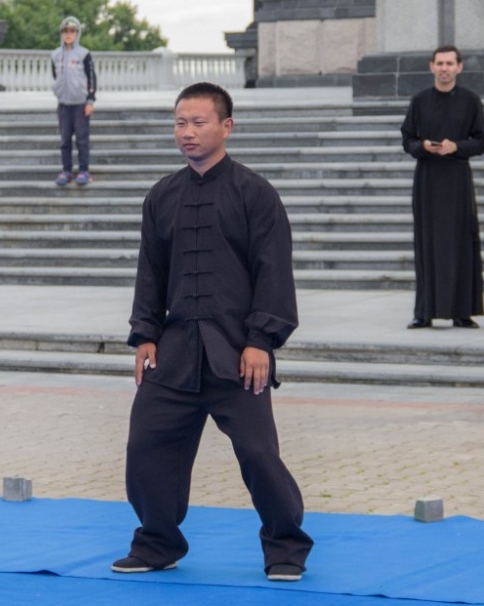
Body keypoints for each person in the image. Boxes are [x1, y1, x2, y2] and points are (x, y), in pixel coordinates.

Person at [112, 82, 313, 582]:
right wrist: (145, 334)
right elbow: (150, 272)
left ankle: (286, 547)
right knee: (145, 449)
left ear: (227, 127)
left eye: (199, 122)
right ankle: (158, 543)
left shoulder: (255, 194)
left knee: (259, 455)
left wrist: (261, 341)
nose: (188, 132)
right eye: (180, 122)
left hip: (237, 356)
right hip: (174, 355)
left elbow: (273, 272)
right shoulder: (161, 196)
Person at [400, 45, 484, 329]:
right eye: (439, 63)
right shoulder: (420, 101)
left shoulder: (470, 100)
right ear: (432, 67)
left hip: (457, 178)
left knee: (461, 243)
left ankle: (462, 312)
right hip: (428, 179)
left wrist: (457, 146)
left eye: (450, 63)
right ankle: (424, 311)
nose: (444, 69)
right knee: (427, 243)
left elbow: (482, 139)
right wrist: (424, 146)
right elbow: (407, 140)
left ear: (459, 67)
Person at [51, 15, 96, 186]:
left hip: (80, 105)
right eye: (65, 31)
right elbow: (55, 76)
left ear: (77, 33)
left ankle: (84, 171)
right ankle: (66, 171)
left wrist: (90, 101)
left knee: (82, 140)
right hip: (64, 105)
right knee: (64, 140)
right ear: (61, 34)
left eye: (72, 31)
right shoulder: (56, 55)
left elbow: (92, 78)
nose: (68, 34)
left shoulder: (84, 54)